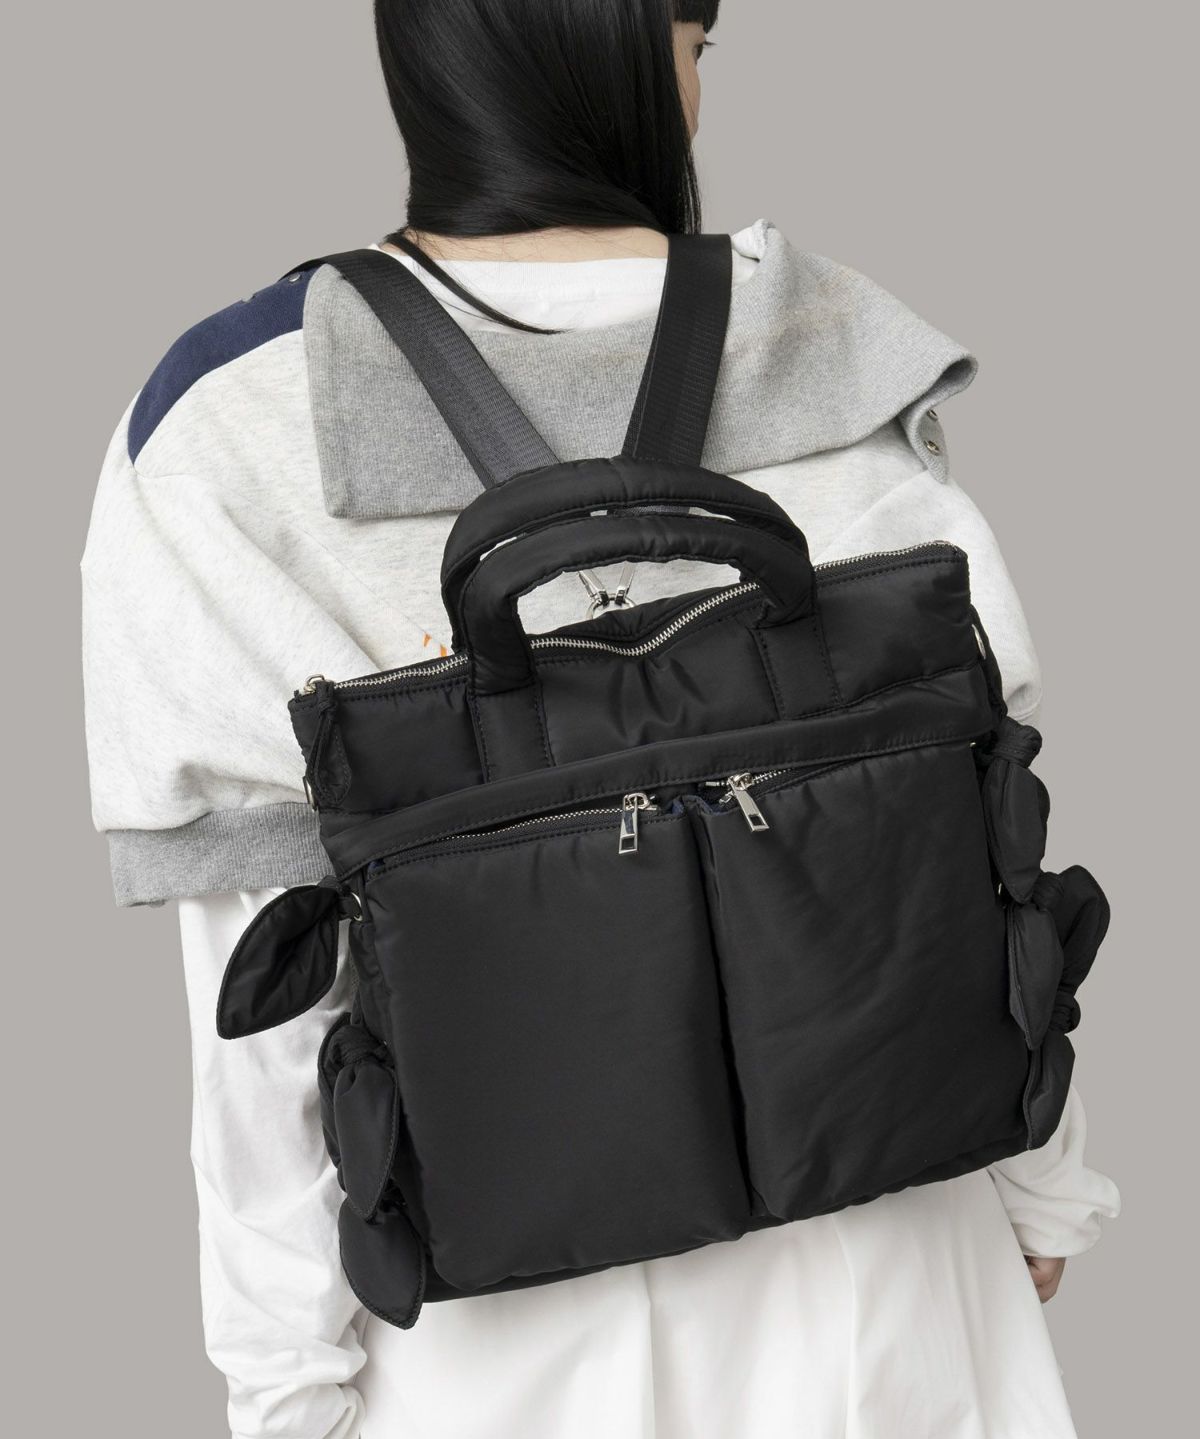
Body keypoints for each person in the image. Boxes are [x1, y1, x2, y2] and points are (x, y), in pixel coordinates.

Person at [81, 2, 1119, 1436]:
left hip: (504, 1339)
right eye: (697, 44)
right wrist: (1044, 1183)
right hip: (892, 1271)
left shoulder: (230, 414)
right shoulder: (828, 341)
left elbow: (260, 989)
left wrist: (287, 1389)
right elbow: (979, 855)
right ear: (624, 50)